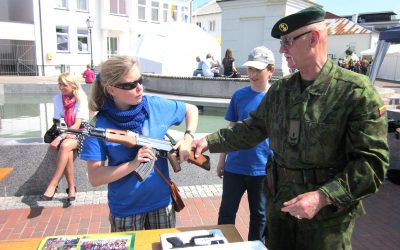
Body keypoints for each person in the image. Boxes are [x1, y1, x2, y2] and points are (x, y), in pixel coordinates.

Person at [192, 6, 389, 250]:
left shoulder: (355, 92)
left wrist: (323, 196)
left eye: (287, 41)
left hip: (326, 222)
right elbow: (252, 129)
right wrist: (207, 142)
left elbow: (372, 164)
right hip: (281, 211)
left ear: (314, 38)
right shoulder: (281, 90)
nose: (281, 49)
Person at [80, 55, 199, 232]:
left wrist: (188, 138)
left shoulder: (154, 106)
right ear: (111, 89)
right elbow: (95, 177)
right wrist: (134, 164)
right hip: (125, 210)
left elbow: (191, 109)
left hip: (161, 204)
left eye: (140, 81)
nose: (139, 88)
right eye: (130, 85)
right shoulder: (98, 126)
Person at [216, 46, 275, 242]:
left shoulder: (277, 99)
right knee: (226, 212)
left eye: (258, 69)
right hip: (235, 167)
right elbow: (230, 129)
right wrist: (221, 159)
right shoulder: (239, 96)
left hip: (262, 169)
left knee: (259, 215)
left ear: (271, 70)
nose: (253, 74)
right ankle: (224, 245)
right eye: (250, 69)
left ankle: (254, 247)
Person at [40, 72, 89, 201]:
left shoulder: (81, 99)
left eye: (64, 85)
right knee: (67, 151)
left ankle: (53, 184)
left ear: (73, 85)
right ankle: (71, 188)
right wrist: (62, 134)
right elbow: (57, 120)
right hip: (63, 129)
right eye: (60, 84)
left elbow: (78, 124)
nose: (61, 87)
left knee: (65, 145)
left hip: (81, 131)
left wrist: (62, 137)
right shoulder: (57, 98)